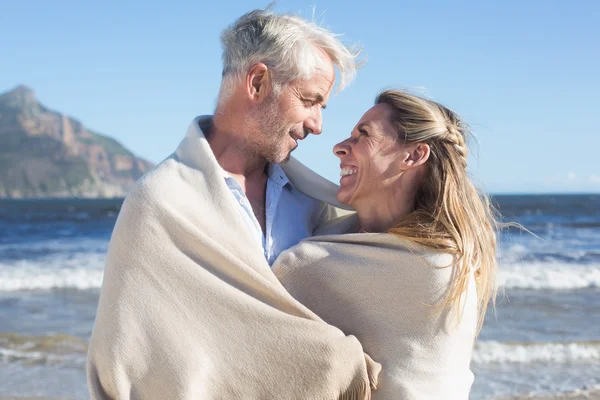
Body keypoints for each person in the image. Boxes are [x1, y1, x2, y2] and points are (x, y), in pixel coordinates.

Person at [86, 8, 380, 400]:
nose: (317, 125)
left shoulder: (314, 202)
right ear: (258, 82)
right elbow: (125, 363)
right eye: (310, 101)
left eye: (321, 107)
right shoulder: (159, 203)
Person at [274, 90, 500, 399]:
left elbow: (292, 275)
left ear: (413, 156)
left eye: (363, 135)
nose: (339, 148)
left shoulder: (433, 265)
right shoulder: (346, 235)